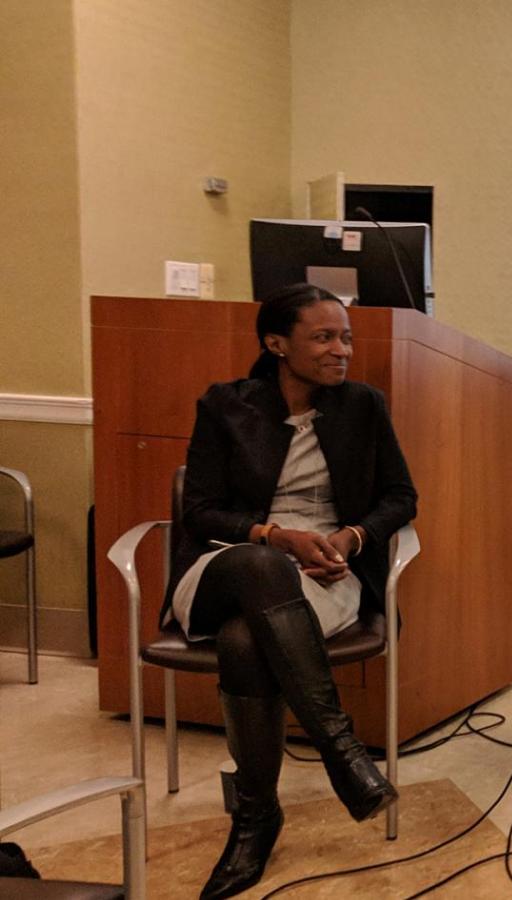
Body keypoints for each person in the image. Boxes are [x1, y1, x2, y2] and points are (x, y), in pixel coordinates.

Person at [171, 283, 417, 899]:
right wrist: (276, 537)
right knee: (263, 568)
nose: (342, 350)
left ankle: (256, 819)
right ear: (277, 344)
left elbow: (400, 497)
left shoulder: (363, 405)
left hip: (325, 570)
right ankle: (341, 751)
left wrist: (351, 539)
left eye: (346, 338)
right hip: (227, 563)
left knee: (243, 642)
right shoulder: (225, 405)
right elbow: (199, 512)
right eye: (324, 337)